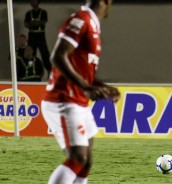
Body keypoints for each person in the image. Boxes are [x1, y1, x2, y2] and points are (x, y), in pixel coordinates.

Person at [41, 0, 119, 183]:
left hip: (78, 102)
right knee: (78, 157)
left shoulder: (92, 23)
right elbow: (58, 56)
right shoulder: (81, 20)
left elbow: (83, 70)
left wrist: (101, 87)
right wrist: (85, 87)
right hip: (63, 100)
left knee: (86, 160)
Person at [24, 0, 51, 77]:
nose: (32, 2)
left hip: (40, 34)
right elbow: (26, 24)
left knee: (45, 53)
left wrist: (32, 24)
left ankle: (49, 71)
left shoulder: (43, 12)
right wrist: (37, 23)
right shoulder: (28, 13)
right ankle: (31, 71)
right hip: (32, 34)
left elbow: (43, 22)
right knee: (31, 54)